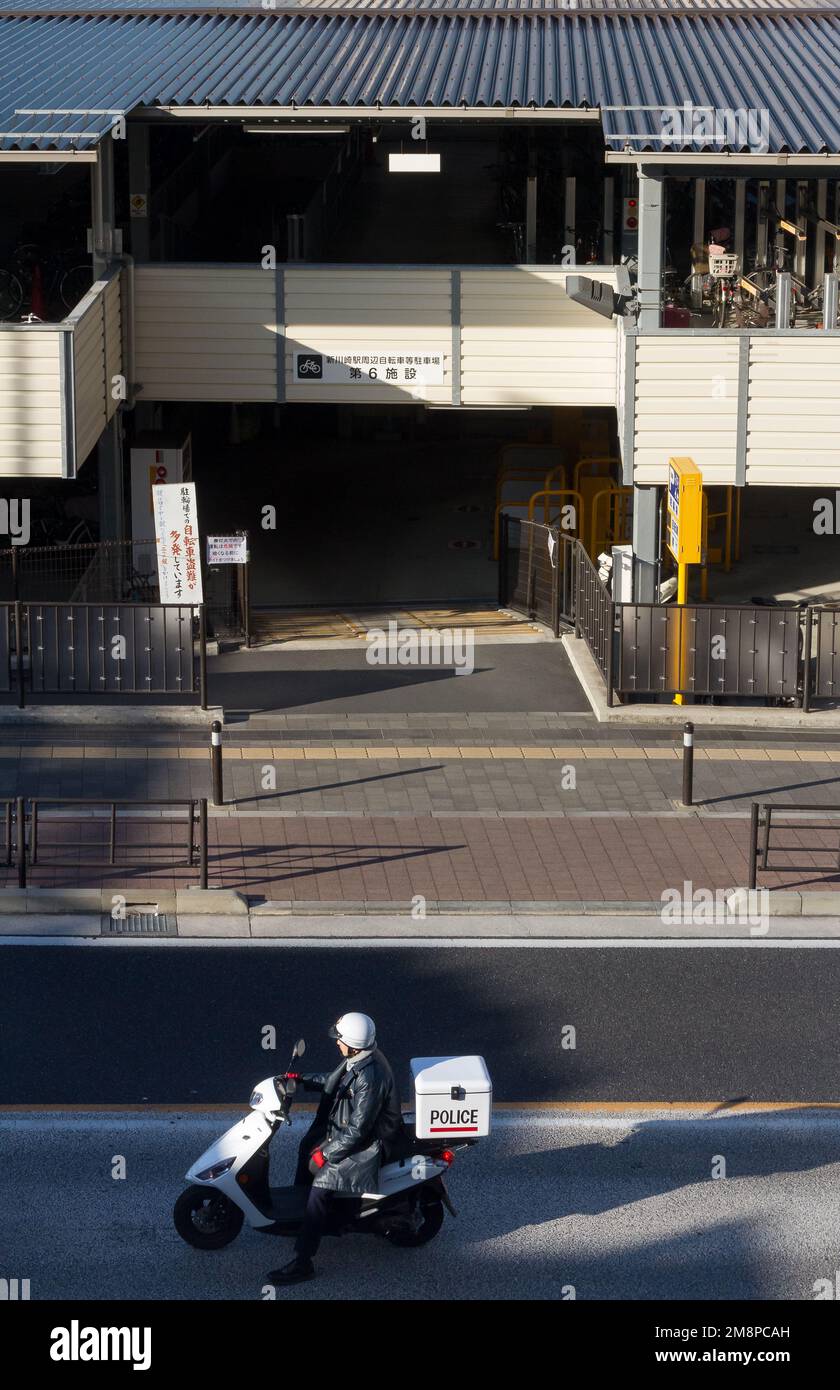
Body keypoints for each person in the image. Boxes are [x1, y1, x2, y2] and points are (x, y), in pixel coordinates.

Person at [268, 1011, 402, 1285]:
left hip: (369, 1142)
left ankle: (303, 1262)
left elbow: (358, 1130)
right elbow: (336, 1082)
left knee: (320, 1190)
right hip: (348, 1130)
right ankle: (304, 1221)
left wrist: (326, 1153)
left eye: (339, 1039)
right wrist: (300, 1079)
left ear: (353, 1044)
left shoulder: (370, 1076)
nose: (336, 1043)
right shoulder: (359, 1059)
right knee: (307, 1146)